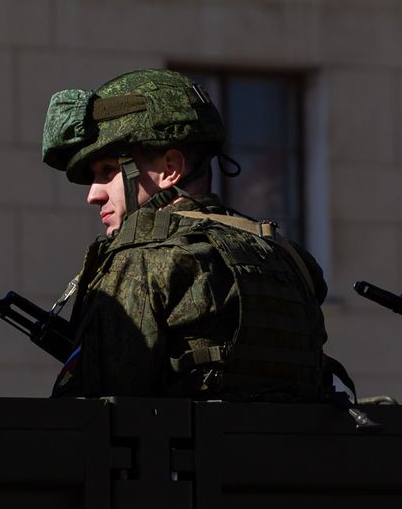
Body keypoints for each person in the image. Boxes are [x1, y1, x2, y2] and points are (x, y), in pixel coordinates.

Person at [40, 68, 331, 401]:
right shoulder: (287, 256)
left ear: (170, 169)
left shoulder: (143, 259)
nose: (94, 194)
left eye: (109, 171)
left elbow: (95, 415)